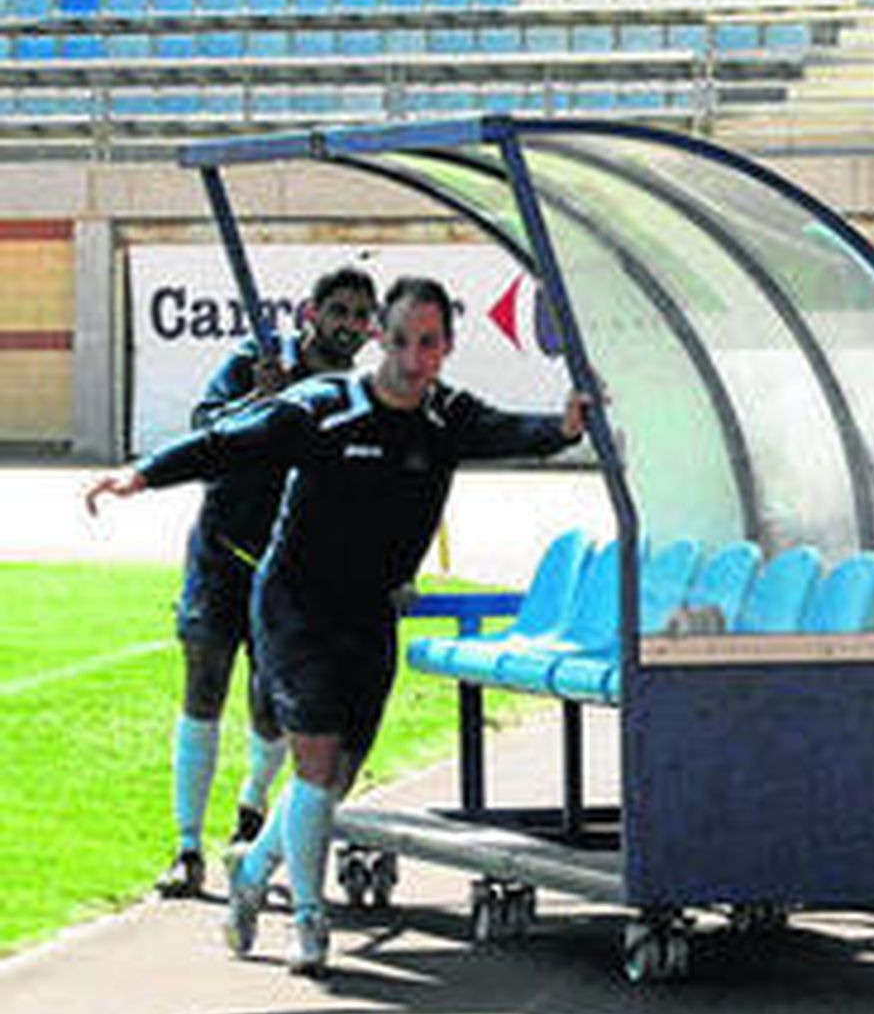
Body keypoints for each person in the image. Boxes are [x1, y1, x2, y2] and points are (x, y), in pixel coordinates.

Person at [88, 276, 589, 977]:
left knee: (333, 781)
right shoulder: (325, 407)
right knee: (315, 761)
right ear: (380, 337)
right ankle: (308, 919)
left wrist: (566, 426)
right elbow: (227, 442)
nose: (416, 359)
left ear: (447, 346)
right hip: (296, 608)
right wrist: (143, 474)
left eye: (431, 343)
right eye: (405, 340)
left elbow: (521, 433)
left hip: (371, 613)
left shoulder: (448, 417)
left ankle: (256, 867)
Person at [155, 265, 379, 899]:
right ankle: (187, 848)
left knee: (271, 708)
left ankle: (251, 814)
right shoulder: (257, 359)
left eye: (362, 316)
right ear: (310, 312)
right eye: (339, 311)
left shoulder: (358, 391)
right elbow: (205, 430)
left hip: (293, 570)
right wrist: (260, 397)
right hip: (223, 550)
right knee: (204, 684)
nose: (350, 326)